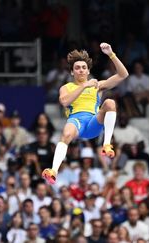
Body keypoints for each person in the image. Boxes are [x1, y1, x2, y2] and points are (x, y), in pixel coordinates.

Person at [41, 42, 129, 184]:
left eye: (84, 68)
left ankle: (106, 145)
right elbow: (64, 102)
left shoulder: (97, 85)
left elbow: (123, 74)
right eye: (77, 68)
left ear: (88, 71)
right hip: (76, 123)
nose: (81, 70)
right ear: (72, 72)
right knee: (66, 133)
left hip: (94, 122)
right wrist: (83, 86)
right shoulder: (66, 87)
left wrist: (111, 55)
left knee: (110, 103)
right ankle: (53, 171)